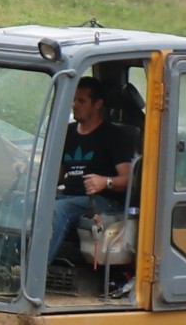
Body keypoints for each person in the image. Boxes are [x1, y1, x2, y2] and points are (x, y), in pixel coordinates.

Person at [48, 77, 137, 293]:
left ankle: (33, 270)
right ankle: (4, 266)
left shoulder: (114, 136)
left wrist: (103, 182)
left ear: (98, 104)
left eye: (81, 101)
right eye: (73, 100)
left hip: (102, 201)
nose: (74, 105)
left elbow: (128, 181)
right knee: (27, 203)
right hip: (69, 196)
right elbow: (56, 176)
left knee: (59, 209)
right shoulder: (67, 132)